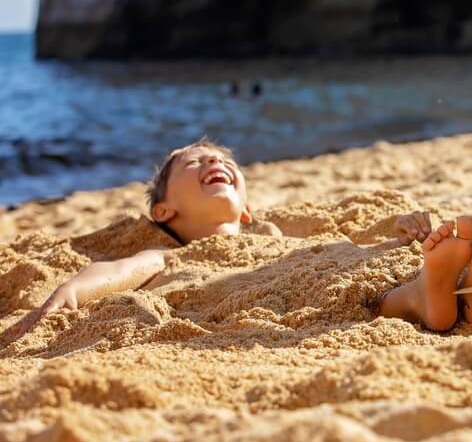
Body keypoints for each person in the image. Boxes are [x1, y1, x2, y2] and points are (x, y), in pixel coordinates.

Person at [10, 139, 434, 340]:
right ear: (164, 211)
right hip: (261, 308)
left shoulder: (270, 232)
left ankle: (427, 287)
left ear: (245, 209)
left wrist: (403, 231)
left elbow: (345, 248)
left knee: (354, 277)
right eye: (194, 163)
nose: (213, 159)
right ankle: (421, 298)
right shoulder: (170, 257)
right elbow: (117, 271)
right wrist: (71, 291)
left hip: (307, 279)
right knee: (346, 298)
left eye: (223, 160)